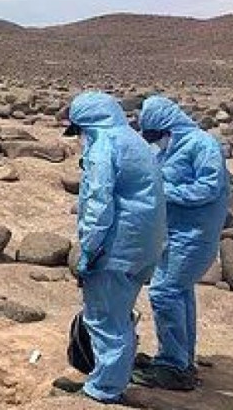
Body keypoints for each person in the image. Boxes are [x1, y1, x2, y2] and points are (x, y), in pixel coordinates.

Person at [57, 91, 167, 404]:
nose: (79, 138)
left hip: (117, 247)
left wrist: (89, 252)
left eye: (78, 130)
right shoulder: (134, 142)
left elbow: (98, 203)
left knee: (106, 320)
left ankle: (103, 391)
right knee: (119, 314)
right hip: (142, 247)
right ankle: (111, 378)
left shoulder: (104, 146)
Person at [132, 95, 229, 391]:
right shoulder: (169, 148)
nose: (155, 141)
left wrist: (165, 191)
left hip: (194, 236)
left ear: (168, 126)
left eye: (157, 135)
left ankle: (174, 366)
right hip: (176, 235)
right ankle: (178, 359)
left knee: (164, 293)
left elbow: (209, 188)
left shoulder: (202, 144)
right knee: (179, 293)